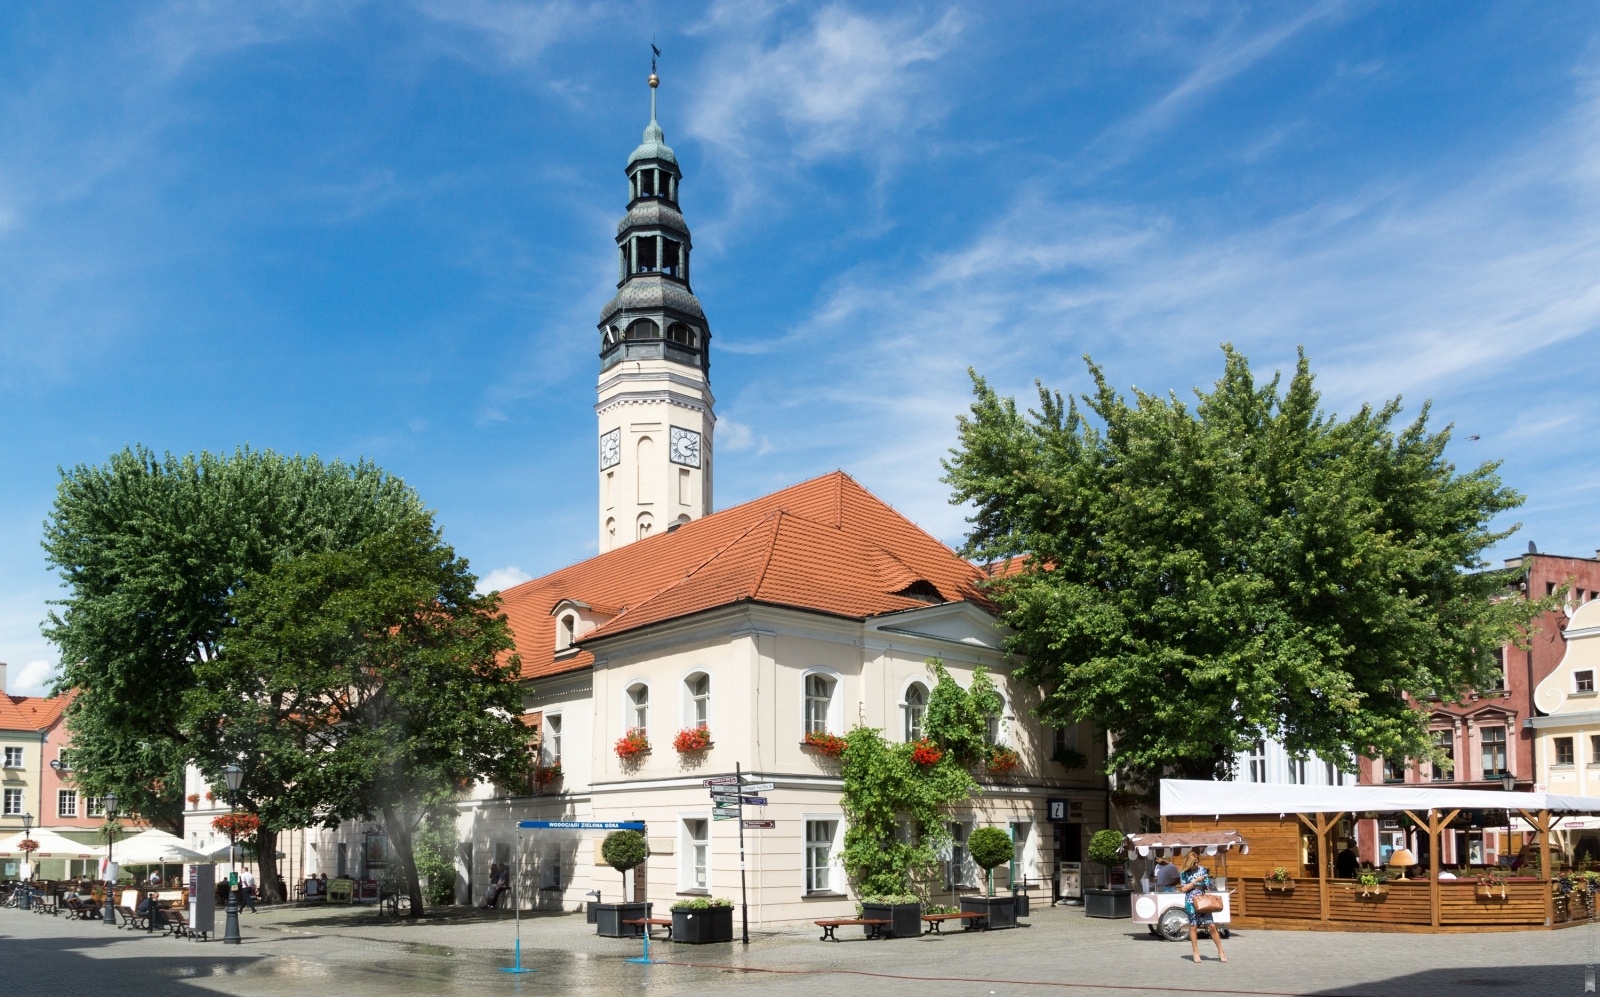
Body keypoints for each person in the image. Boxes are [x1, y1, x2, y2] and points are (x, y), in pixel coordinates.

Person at [1179, 851, 1227, 964]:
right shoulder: (1183, 873)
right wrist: (1195, 881)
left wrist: (1207, 880)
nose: (1197, 864)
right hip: (1191, 902)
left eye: (1197, 862)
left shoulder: (1203, 870)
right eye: (1194, 863)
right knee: (1193, 926)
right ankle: (1195, 952)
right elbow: (1184, 889)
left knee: (1211, 926)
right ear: (1189, 863)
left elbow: (1208, 885)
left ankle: (1221, 951)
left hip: (1203, 901)